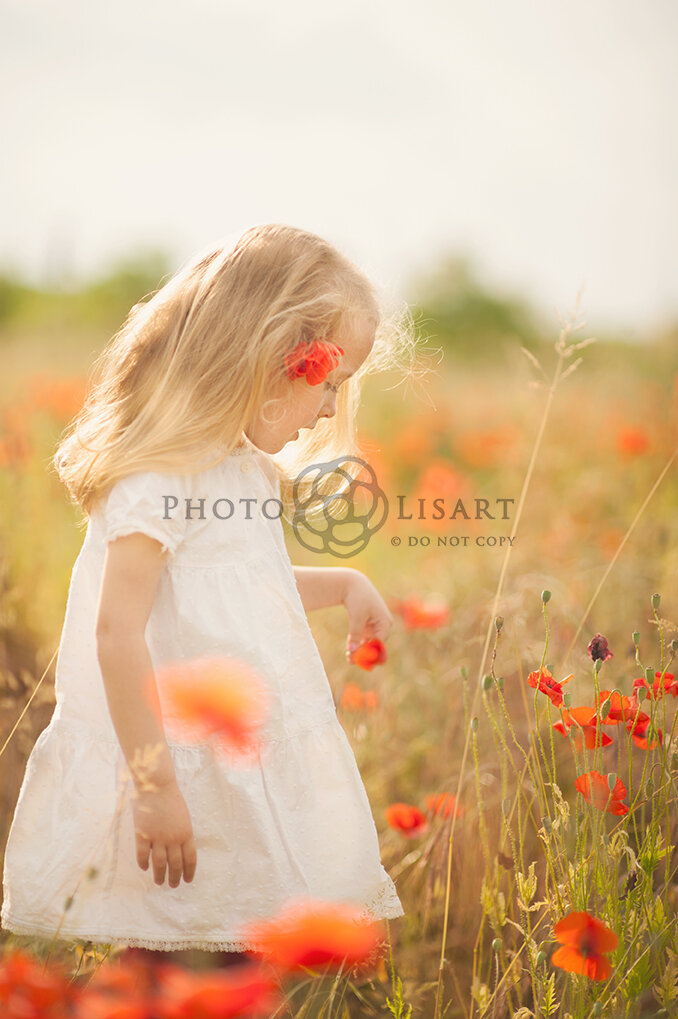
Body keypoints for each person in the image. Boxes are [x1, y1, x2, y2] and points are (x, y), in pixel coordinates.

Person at [0, 223, 417, 964]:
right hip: (172, 771)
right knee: (173, 959)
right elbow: (117, 632)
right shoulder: (160, 474)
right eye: (329, 381)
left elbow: (235, 588)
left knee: (235, 956)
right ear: (268, 355)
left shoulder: (238, 467)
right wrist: (155, 789)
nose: (329, 408)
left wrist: (346, 582)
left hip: (234, 769)